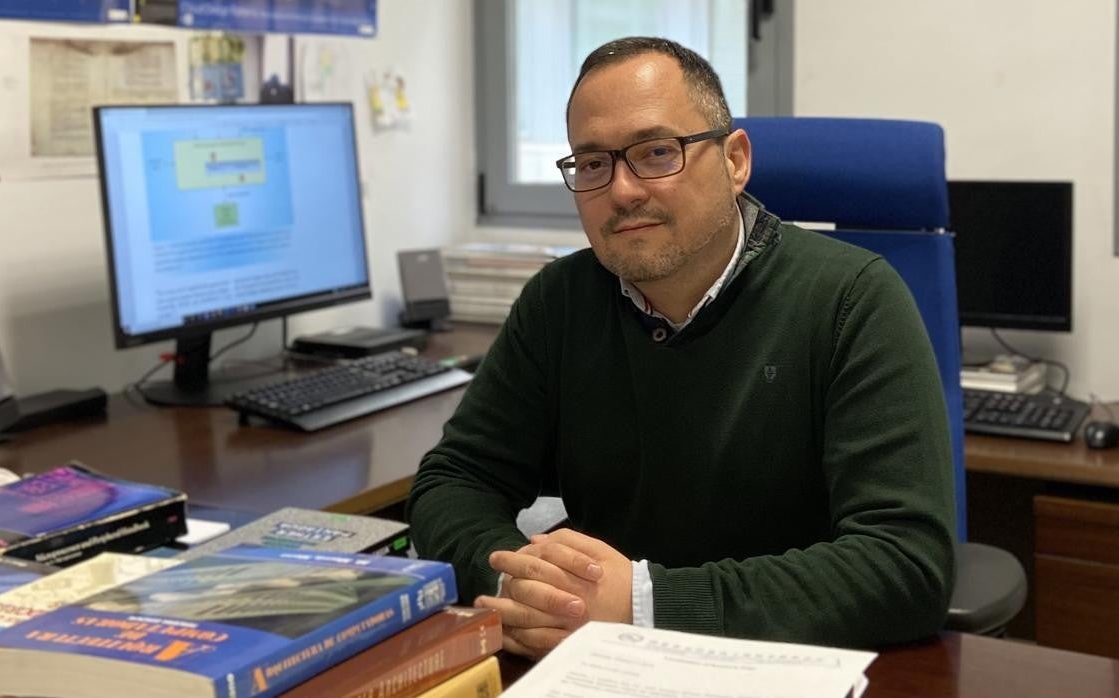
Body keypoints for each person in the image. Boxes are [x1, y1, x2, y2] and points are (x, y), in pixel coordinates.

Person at [408, 36, 955, 659]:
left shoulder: (853, 300)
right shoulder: (558, 302)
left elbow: (907, 564)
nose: (621, 190)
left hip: (786, 669)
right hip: (598, 670)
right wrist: (520, 584)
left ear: (735, 160)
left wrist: (645, 604)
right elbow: (456, 480)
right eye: (592, 164)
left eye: (656, 153)